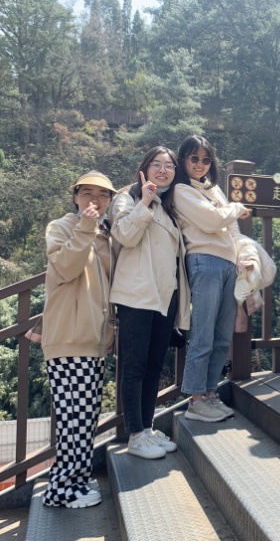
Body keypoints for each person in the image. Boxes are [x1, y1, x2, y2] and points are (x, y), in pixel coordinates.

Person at [41, 171, 117, 508]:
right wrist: (86, 227)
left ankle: (78, 481)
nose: (95, 200)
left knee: (85, 417)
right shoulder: (61, 227)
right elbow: (66, 267)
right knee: (73, 418)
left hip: (93, 340)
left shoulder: (103, 235)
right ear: (75, 196)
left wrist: (110, 331)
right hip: (68, 338)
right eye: (87, 193)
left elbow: (108, 289)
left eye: (103, 195)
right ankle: (62, 490)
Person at [110, 147, 190, 459]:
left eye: (169, 165)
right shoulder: (127, 198)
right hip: (136, 294)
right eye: (156, 164)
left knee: (155, 366)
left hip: (165, 297)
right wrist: (144, 201)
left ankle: (147, 427)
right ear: (144, 168)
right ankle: (135, 435)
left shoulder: (170, 208)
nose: (163, 170)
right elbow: (124, 235)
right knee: (135, 367)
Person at [173, 135, 251, 421]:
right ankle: (195, 401)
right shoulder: (182, 190)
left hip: (228, 263)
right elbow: (212, 220)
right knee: (203, 333)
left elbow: (231, 229)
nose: (200, 164)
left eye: (206, 159)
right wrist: (236, 208)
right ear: (183, 160)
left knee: (221, 336)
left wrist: (242, 256)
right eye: (194, 158)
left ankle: (209, 393)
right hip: (204, 260)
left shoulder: (213, 189)